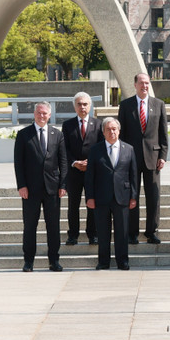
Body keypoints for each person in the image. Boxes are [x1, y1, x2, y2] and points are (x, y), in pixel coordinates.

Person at [13, 101, 68, 272]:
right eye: (39, 113)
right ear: (34, 114)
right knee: (30, 226)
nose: (42, 116)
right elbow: (18, 163)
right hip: (30, 190)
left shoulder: (57, 134)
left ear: (49, 115)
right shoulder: (23, 134)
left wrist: (63, 184)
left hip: (52, 188)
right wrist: (22, 185)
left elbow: (63, 162)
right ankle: (28, 261)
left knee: (53, 227)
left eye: (45, 113)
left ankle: (54, 260)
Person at [117, 72, 168, 244]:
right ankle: (132, 233)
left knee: (153, 196)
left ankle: (151, 232)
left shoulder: (159, 104)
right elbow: (122, 134)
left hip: (153, 158)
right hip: (131, 158)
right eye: (141, 83)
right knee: (132, 196)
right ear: (135, 85)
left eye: (147, 83)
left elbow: (163, 133)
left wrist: (163, 156)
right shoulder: (126, 105)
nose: (144, 86)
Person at [85, 118, 138, 270]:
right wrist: (89, 197)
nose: (112, 132)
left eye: (114, 129)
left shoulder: (129, 149)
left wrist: (133, 196)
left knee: (122, 231)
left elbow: (133, 174)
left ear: (119, 131)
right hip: (101, 197)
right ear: (103, 132)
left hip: (122, 196)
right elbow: (89, 176)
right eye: (108, 129)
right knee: (103, 232)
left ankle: (123, 261)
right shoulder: (95, 150)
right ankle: (103, 262)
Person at [62, 92, 105, 246]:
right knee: (73, 205)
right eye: (79, 104)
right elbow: (64, 149)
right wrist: (75, 162)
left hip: (92, 172)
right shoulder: (67, 125)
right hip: (74, 172)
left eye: (85, 104)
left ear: (90, 106)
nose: (82, 107)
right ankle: (73, 235)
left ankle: (93, 234)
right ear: (75, 107)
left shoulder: (98, 124)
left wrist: (90, 163)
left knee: (92, 203)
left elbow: (102, 147)